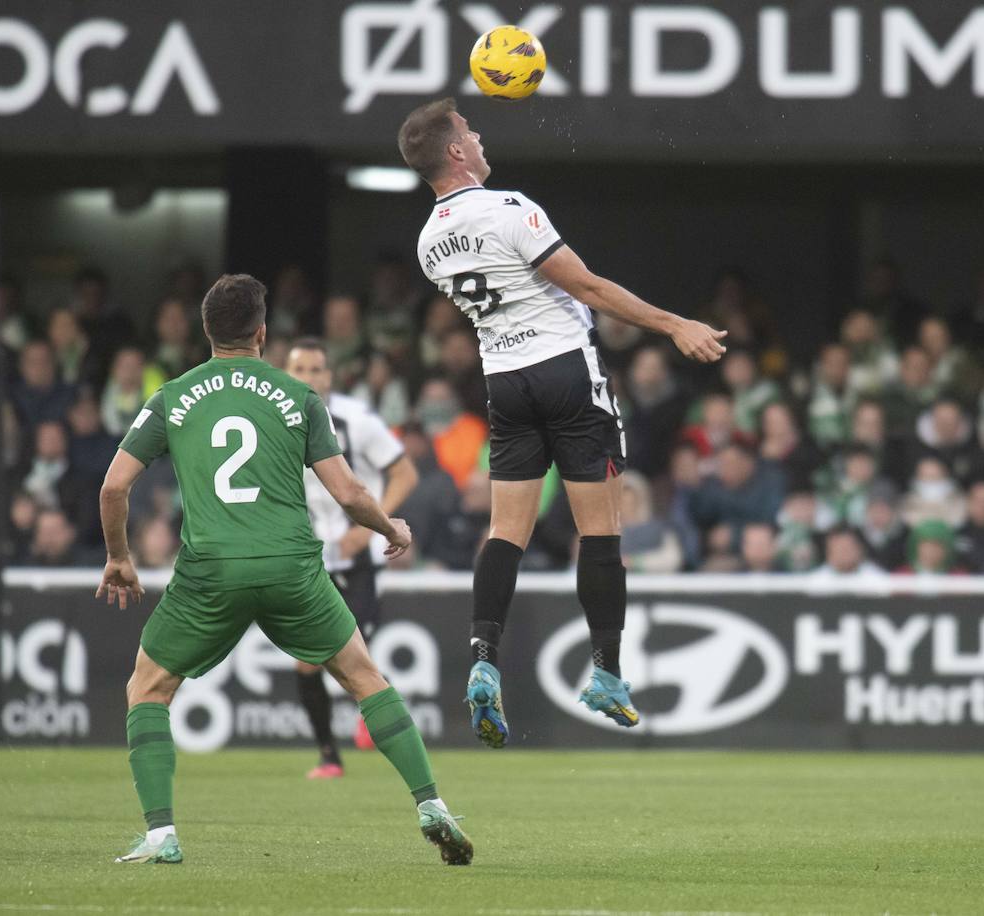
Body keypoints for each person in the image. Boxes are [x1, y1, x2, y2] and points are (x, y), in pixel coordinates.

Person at [94, 276, 470, 865]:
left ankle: (162, 835)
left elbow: (114, 487)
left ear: (206, 331)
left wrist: (120, 556)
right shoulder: (298, 397)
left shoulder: (171, 397)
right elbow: (347, 494)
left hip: (210, 572)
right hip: (292, 566)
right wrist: (391, 528)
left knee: (148, 688)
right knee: (364, 677)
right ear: (262, 333)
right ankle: (431, 803)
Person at [398, 98, 725, 745]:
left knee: (505, 533)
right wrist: (674, 324)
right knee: (600, 532)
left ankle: (483, 661)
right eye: (469, 130)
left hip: (504, 385)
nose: (479, 134)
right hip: (566, 373)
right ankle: (607, 671)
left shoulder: (429, 242)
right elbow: (591, 289)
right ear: (456, 152)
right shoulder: (509, 209)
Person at [286, 338, 420, 780]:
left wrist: (369, 529)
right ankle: (329, 756)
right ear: (287, 374)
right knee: (307, 662)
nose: (309, 378)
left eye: (316, 369)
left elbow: (404, 472)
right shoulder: (273, 420)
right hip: (309, 558)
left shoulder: (357, 421)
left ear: (331, 375)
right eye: (300, 369)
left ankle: (373, 711)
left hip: (358, 562)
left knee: (348, 653)